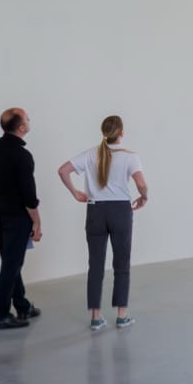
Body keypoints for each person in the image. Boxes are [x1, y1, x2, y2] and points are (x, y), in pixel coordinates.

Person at [58, 114, 148, 331]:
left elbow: (63, 170)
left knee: (95, 266)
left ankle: (96, 319)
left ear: (104, 133)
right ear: (121, 133)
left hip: (95, 211)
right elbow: (142, 185)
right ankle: (122, 316)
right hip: (120, 212)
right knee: (121, 265)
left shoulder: (91, 154)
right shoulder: (130, 157)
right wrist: (144, 197)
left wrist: (75, 192)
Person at [0, 107, 43, 330]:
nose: (29, 120)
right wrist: (37, 221)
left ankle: (22, 305)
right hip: (16, 217)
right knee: (12, 264)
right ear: (21, 127)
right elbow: (28, 195)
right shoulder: (22, 155)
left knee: (11, 262)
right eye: (27, 118)